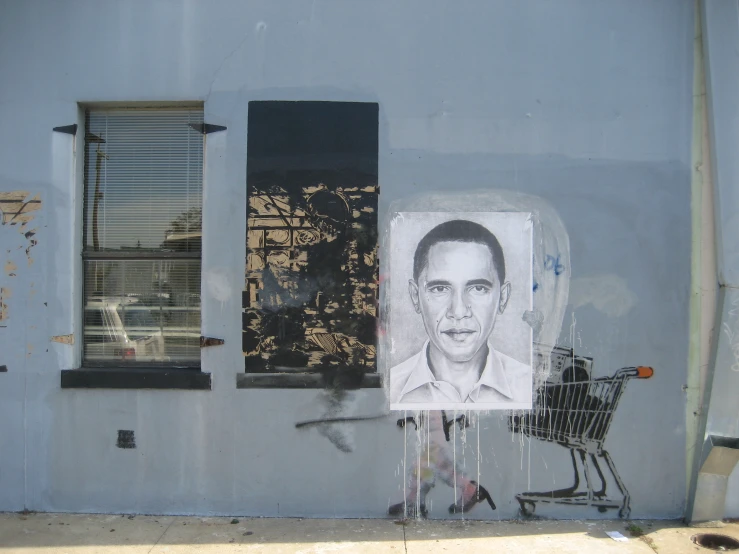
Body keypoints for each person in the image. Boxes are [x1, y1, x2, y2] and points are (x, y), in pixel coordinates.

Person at [389, 219, 531, 408]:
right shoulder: (387, 389)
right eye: (439, 288)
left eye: (478, 288)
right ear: (415, 296)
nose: (458, 312)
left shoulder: (533, 388)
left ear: (503, 298)